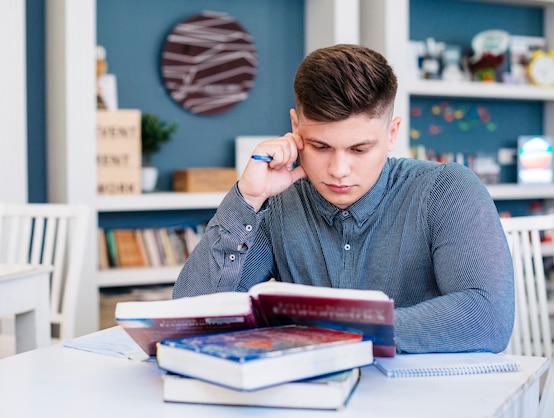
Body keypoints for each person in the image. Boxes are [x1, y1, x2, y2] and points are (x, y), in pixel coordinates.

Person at [172, 44, 514, 354]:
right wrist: (248, 199)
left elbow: (487, 317)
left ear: (392, 133)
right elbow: (190, 316)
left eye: (359, 149)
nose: (338, 170)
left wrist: (335, 331)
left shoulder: (446, 190)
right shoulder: (276, 202)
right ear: (295, 125)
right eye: (320, 147)